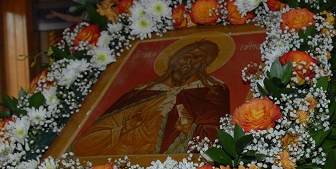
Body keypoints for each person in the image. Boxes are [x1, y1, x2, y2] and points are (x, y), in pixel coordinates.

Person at [73, 39, 231, 156]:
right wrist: (124, 129)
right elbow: (86, 142)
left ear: (205, 63)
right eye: (185, 57)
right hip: (121, 156)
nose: (189, 62)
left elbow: (216, 134)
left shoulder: (212, 91)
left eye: (197, 58)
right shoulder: (141, 92)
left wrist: (189, 130)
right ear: (173, 61)